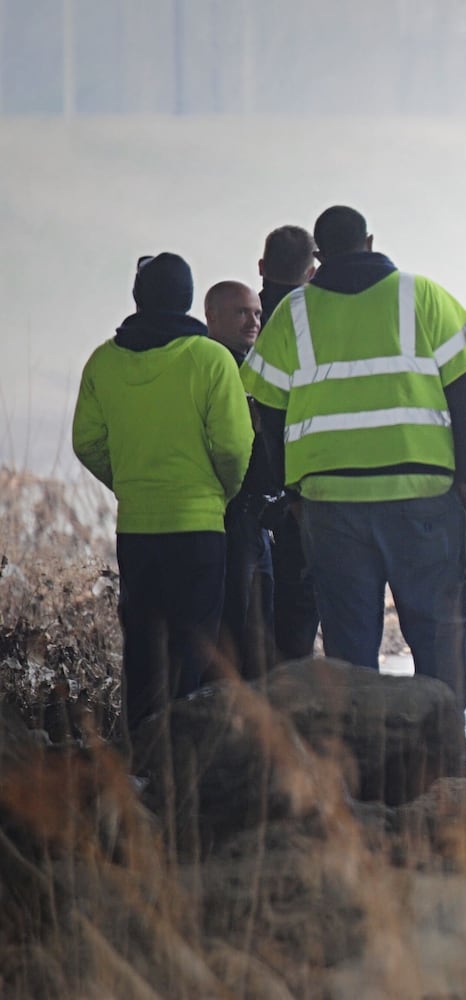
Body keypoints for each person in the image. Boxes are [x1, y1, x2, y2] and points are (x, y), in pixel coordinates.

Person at [240, 206, 466, 707]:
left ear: (319, 256)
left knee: (350, 640)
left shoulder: (292, 313)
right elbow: (463, 397)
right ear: (370, 241)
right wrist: (464, 479)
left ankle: (361, 756)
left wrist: (293, 491)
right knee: (437, 628)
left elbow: (267, 415)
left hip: (330, 502)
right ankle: (444, 745)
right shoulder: (423, 295)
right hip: (424, 493)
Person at [72, 253, 253, 762]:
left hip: (137, 526)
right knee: (194, 646)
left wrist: (128, 483)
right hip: (199, 526)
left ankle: (143, 760)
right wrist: (220, 492)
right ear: (189, 298)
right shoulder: (211, 359)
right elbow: (234, 448)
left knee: (145, 649)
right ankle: (186, 758)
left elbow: (86, 441)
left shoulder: (103, 361)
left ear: (138, 297)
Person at [203, 280, 277, 679]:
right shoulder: (212, 365)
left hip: (257, 515)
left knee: (260, 624)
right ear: (211, 316)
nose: (254, 321)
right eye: (241, 313)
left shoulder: (252, 364)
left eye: (257, 313)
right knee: (234, 624)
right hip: (230, 513)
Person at [258, 225, 321, 662]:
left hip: (251, 489)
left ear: (262, 267)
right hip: (305, 482)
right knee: (303, 601)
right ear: (312, 269)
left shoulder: (243, 317)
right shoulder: (313, 318)